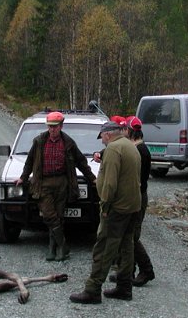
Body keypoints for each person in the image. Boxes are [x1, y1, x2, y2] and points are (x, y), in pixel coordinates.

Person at [69, 121, 141, 304]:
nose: (101, 140)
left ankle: (93, 289)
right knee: (126, 246)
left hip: (116, 208)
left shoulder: (113, 149)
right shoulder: (130, 146)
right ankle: (125, 287)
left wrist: (105, 207)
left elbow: (109, 183)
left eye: (101, 136)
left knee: (104, 246)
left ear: (108, 134)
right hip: (133, 206)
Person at [15, 111, 97, 261]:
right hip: (43, 183)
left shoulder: (68, 143)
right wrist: (23, 178)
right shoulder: (39, 141)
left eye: (55, 126)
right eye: (50, 126)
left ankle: (53, 249)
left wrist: (92, 179)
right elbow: (29, 161)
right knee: (49, 215)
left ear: (61, 126)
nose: (52, 129)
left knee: (59, 216)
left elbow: (81, 162)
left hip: (62, 183)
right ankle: (63, 245)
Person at [125, 115, 155, 286]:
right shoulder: (140, 149)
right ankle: (129, 271)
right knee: (129, 235)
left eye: (126, 130)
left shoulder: (139, 151)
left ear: (130, 132)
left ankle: (146, 270)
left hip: (137, 197)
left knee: (132, 236)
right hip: (137, 196)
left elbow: (137, 180)